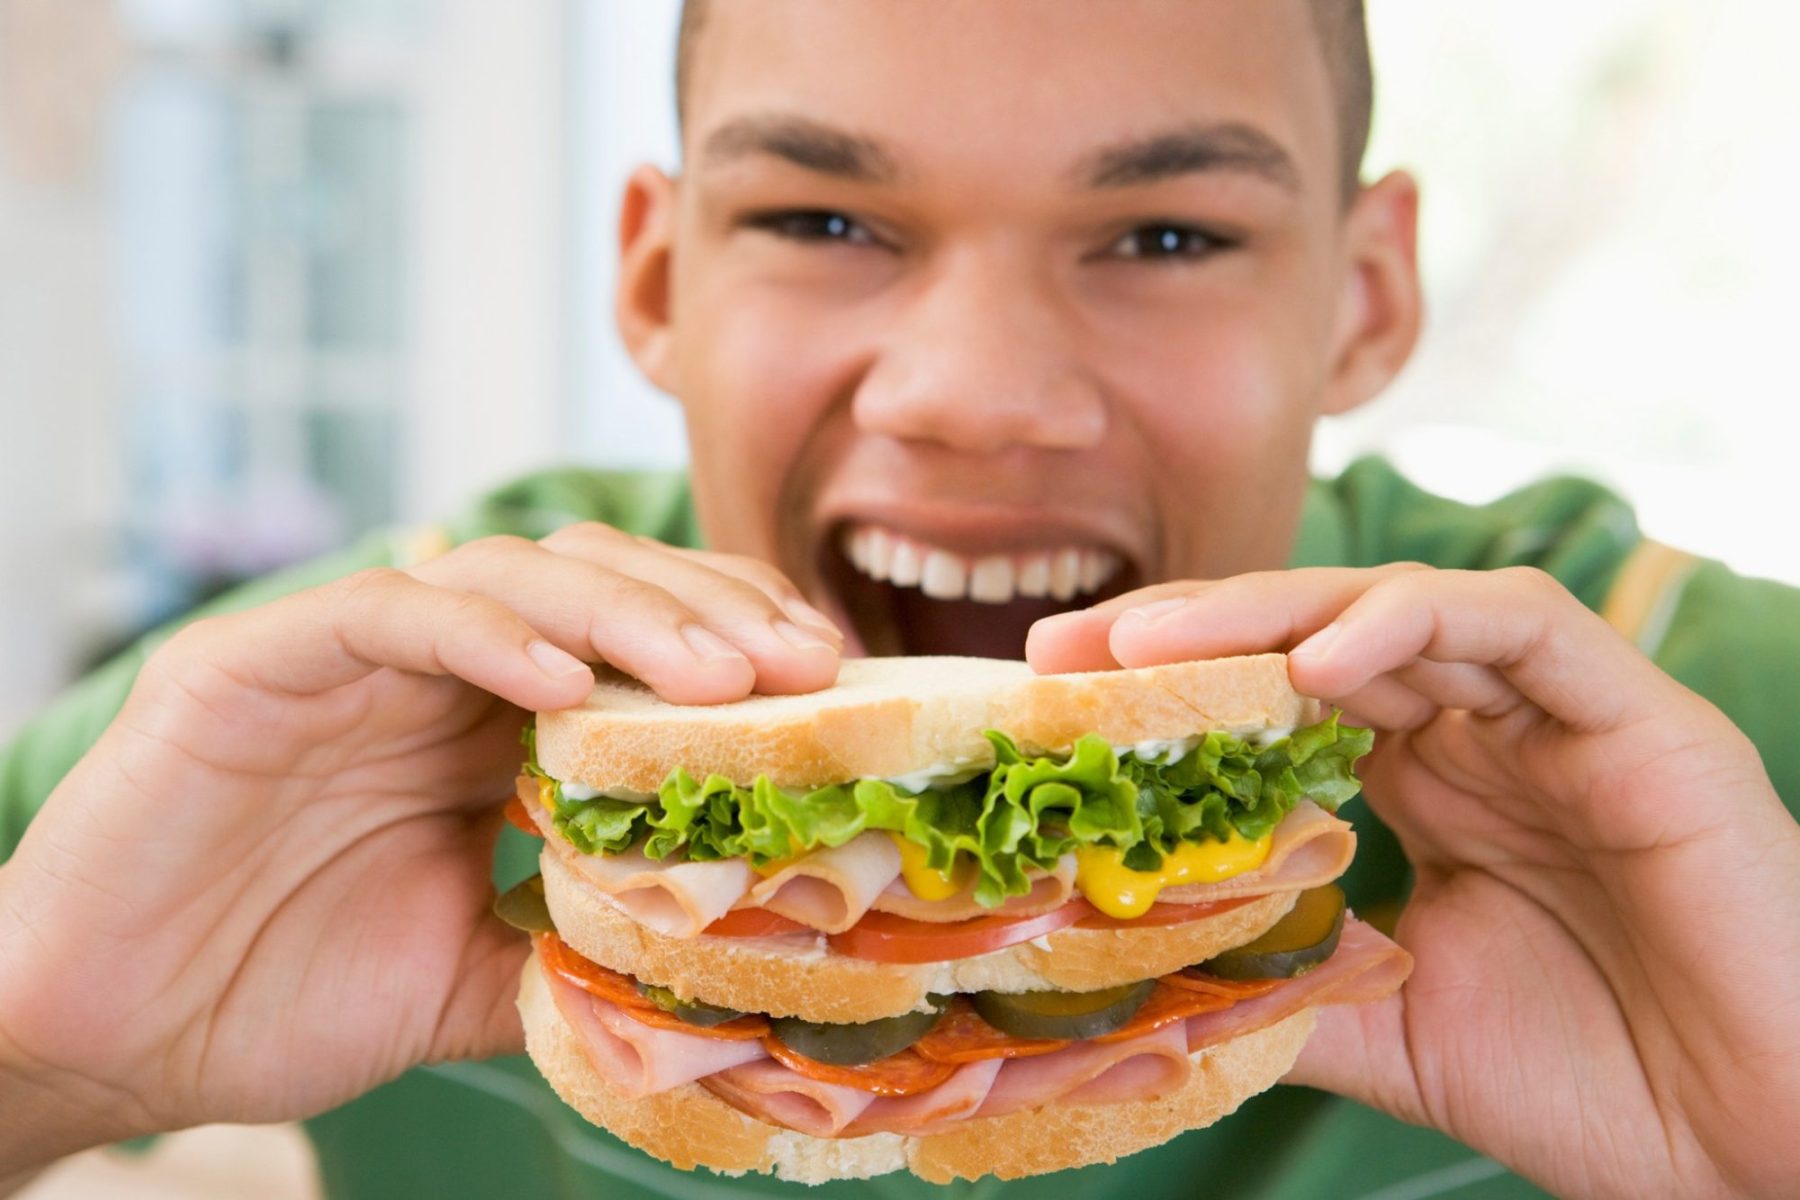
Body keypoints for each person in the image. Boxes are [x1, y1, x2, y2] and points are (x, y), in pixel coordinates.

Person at [2, 2, 1797, 1197]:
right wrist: (43, 1063)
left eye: (1168, 237)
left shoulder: (1688, 733)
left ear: (1366, 298)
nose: (975, 392)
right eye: (826, 222)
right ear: (654, 278)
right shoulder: (313, 725)